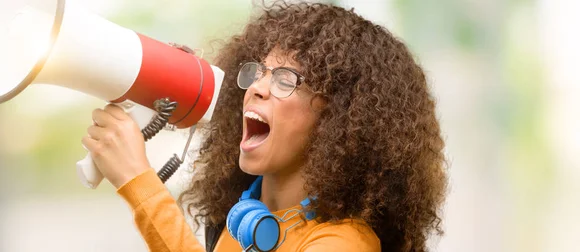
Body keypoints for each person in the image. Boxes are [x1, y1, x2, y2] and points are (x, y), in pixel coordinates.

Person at [82, 2, 447, 252]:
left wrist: (138, 180)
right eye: (259, 71)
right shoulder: (243, 217)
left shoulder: (345, 241)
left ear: (339, 119)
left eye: (286, 80)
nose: (256, 87)